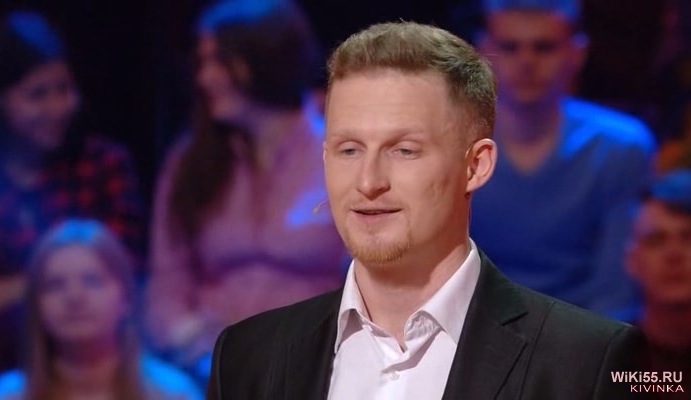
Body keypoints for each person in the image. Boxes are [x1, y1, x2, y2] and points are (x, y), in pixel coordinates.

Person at [207, 21, 644, 399]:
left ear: (476, 166)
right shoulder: (247, 357)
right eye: (349, 149)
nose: (368, 182)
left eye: (404, 150)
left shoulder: (588, 361)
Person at [146, 0, 346, 372]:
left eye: (221, 61)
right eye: (202, 63)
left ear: (269, 59)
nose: (205, 78)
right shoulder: (190, 162)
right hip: (210, 367)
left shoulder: (343, 157)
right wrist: (187, 339)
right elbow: (167, 282)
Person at [0, 11, 143, 394]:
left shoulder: (103, 165)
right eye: (37, 95)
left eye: (63, 90)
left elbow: (122, 273)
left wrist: (50, 290)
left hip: (102, 363)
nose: (57, 107)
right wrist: (41, 283)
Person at [471, 0, 657, 319]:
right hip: (469, 329)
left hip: (587, 333)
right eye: (510, 47)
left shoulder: (620, 148)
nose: (527, 61)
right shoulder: (451, 142)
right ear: (482, 53)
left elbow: (616, 289)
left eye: (544, 47)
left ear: (577, 53)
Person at [0, 219, 202, 400]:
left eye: (92, 281)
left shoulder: (172, 392)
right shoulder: (5, 395)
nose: (74, 297)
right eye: (55, 285)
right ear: (36, 306)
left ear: (126, 298)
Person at [625, 169, 691, 395]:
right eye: (656, 240)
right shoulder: (606, 356)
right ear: (632, 260)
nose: (674, 254)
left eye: (688, 237)